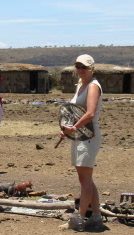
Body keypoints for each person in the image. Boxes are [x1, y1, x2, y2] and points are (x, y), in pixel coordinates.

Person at [59, 54, 104, 231]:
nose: (80, 69)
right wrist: (65, 127)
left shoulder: (93, 86)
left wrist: (73, 127)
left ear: (92, 68)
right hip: (80, 135)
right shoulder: (80, 85)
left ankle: (79, 218)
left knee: (84, 179)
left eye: (84, 67)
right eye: (78, 66)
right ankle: (96, 216)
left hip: (88, 136)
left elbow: (90, 113)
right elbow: (75, 110)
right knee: (86, 178)